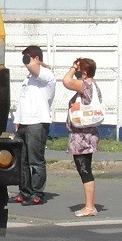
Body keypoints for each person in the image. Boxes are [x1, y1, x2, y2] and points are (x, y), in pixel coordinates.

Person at [11, 45, 56, 206]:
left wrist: (41, 64)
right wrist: (17, 119)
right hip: (24, 122)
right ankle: (25, 191)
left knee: (36, 161)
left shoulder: (46, 75)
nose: (25, 62)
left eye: (27, 58)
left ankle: (37, 193)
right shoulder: (28, 78)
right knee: (22, 161)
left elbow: (33, 66)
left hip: (37, 122)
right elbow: (23, 100)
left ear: (36, 58)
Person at [63, 56, 101, 217]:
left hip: (82, 136)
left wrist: (73, 68)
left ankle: (89, 206)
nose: (76, 74)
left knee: (84, 170)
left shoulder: (85, 85)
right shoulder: (93, 86)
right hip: (86, 134)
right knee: (85, 169)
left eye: (78, 71)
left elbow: (66, 81)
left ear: (84, 73)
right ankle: (90, 205)